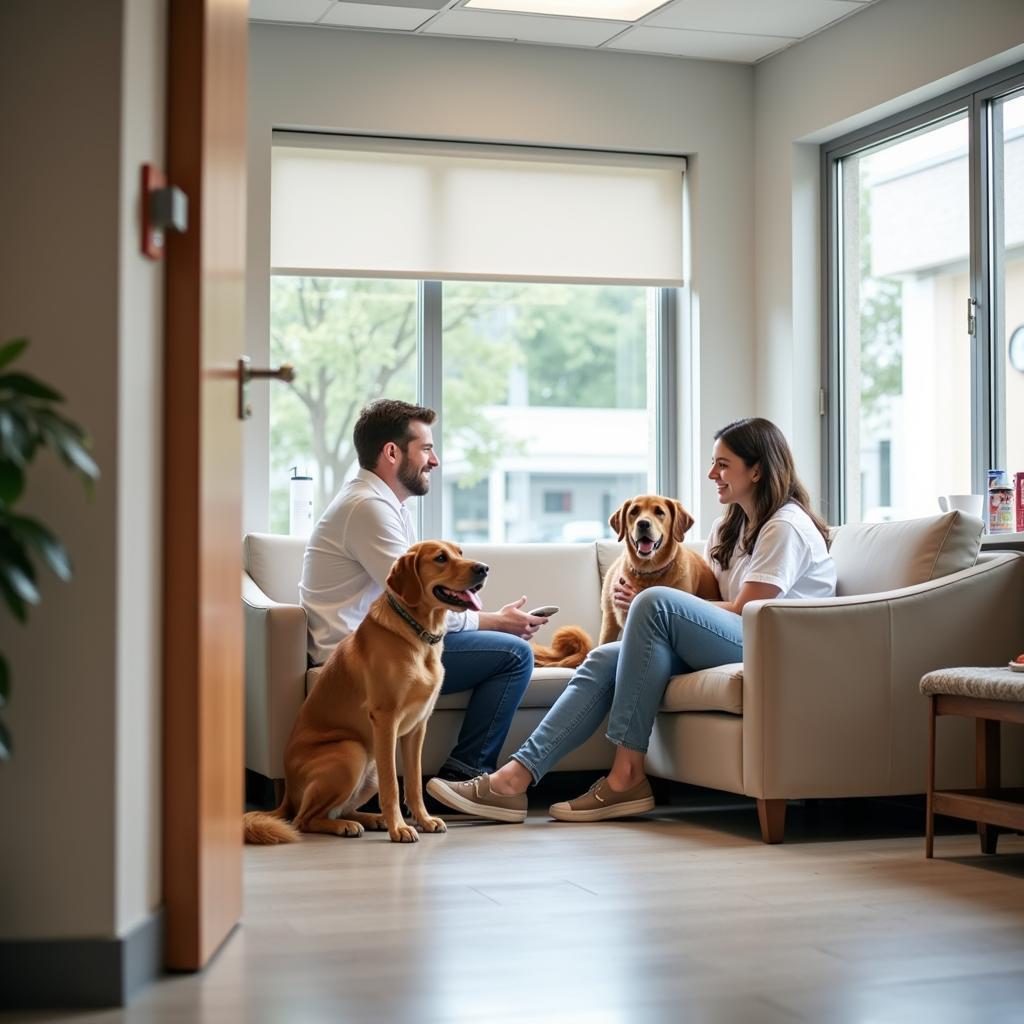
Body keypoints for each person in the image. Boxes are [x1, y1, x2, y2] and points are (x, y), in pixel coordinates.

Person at [426, 417, 836, 823]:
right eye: (714, 463)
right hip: (734, 643)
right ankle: (512, 781)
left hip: (775, 645)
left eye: (723, 464)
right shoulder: (729, 528)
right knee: (605, 658)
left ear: (758, 469)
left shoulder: (785, 527)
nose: (712, 473)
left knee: (656, 601)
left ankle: (625, 775)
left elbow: (752, 611)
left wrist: (650, 600)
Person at [299, 399, 547, 784]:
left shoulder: (387, 506)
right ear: (392, 452)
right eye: (427, 449)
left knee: (507, 648)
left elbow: (424, 602)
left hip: (391, 643)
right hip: (362, 654)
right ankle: (466, 776)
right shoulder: (368, 508)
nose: (435, 461)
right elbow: (410, 602)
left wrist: (489, 619)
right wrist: (496, 622)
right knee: (513, 655)